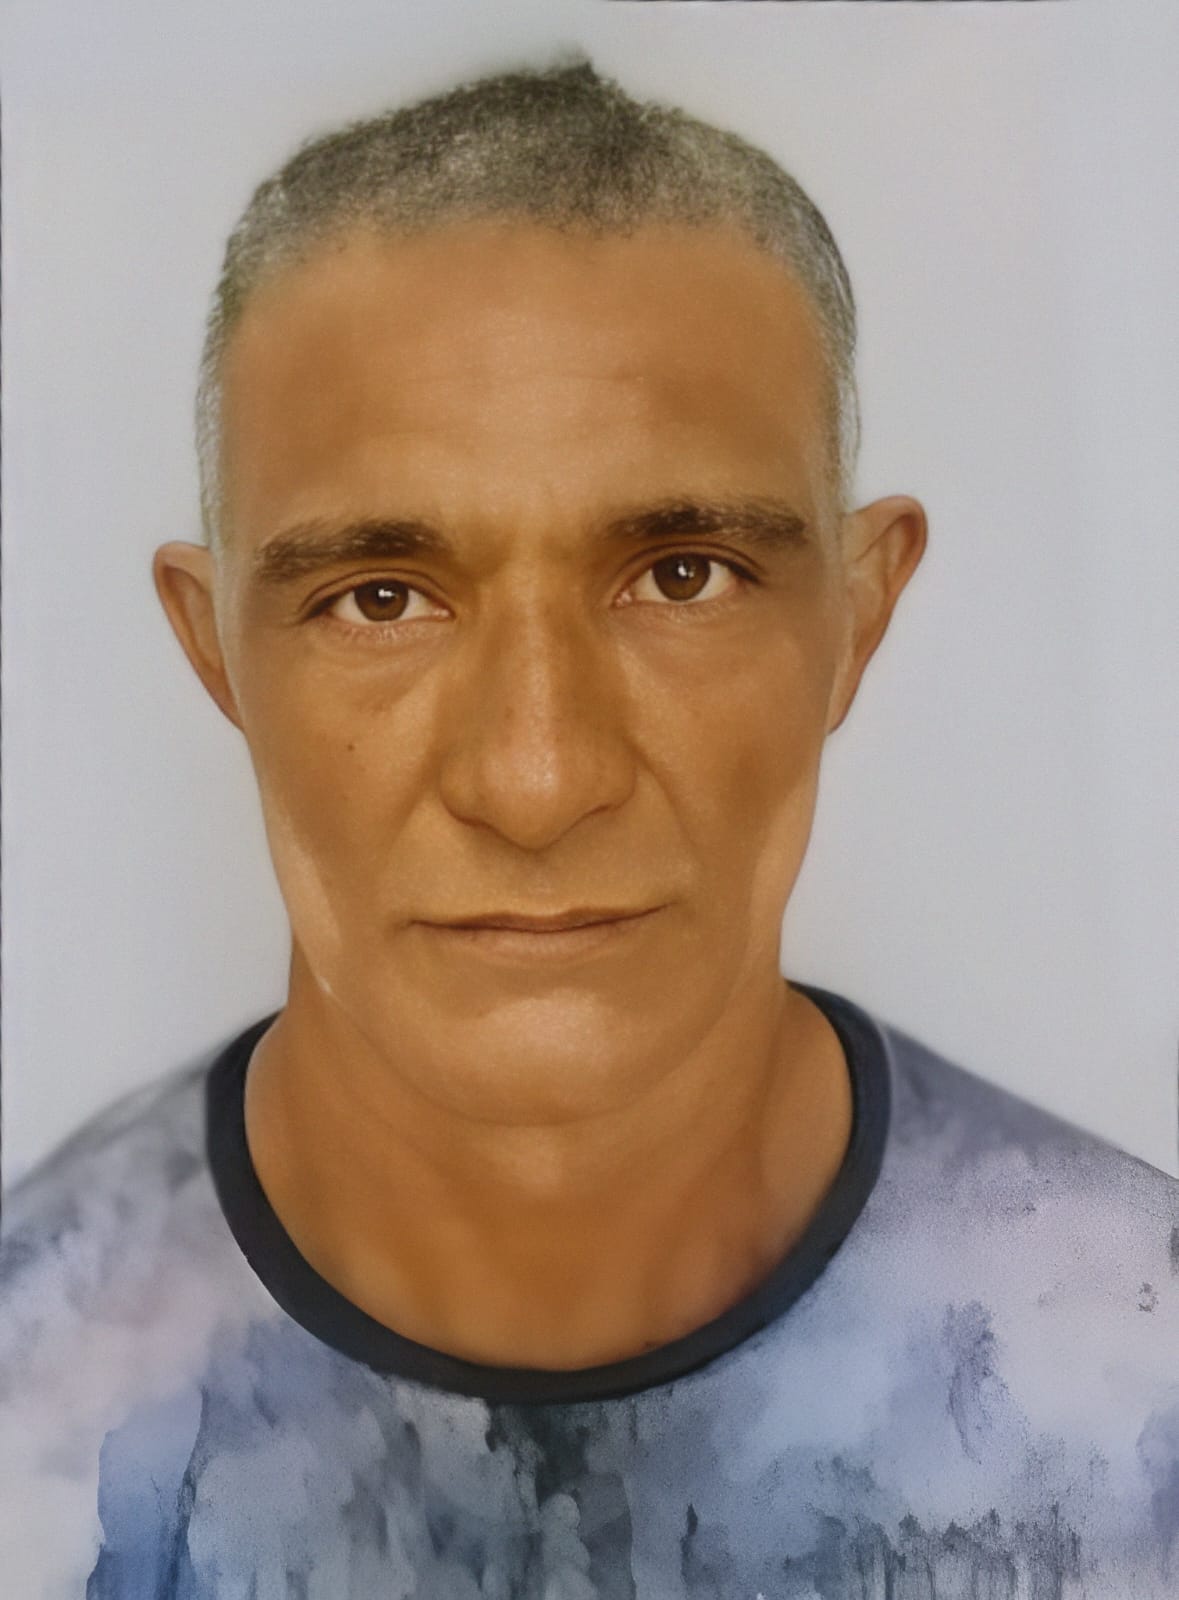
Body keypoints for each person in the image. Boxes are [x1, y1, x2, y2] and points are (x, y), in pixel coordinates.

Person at [1, 58, 1176, 1599]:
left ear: (859, 615)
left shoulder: (1138, 1401)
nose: (539, 779)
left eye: (684, 577)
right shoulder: (32, 1429)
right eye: (380, 598)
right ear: (213, 646)